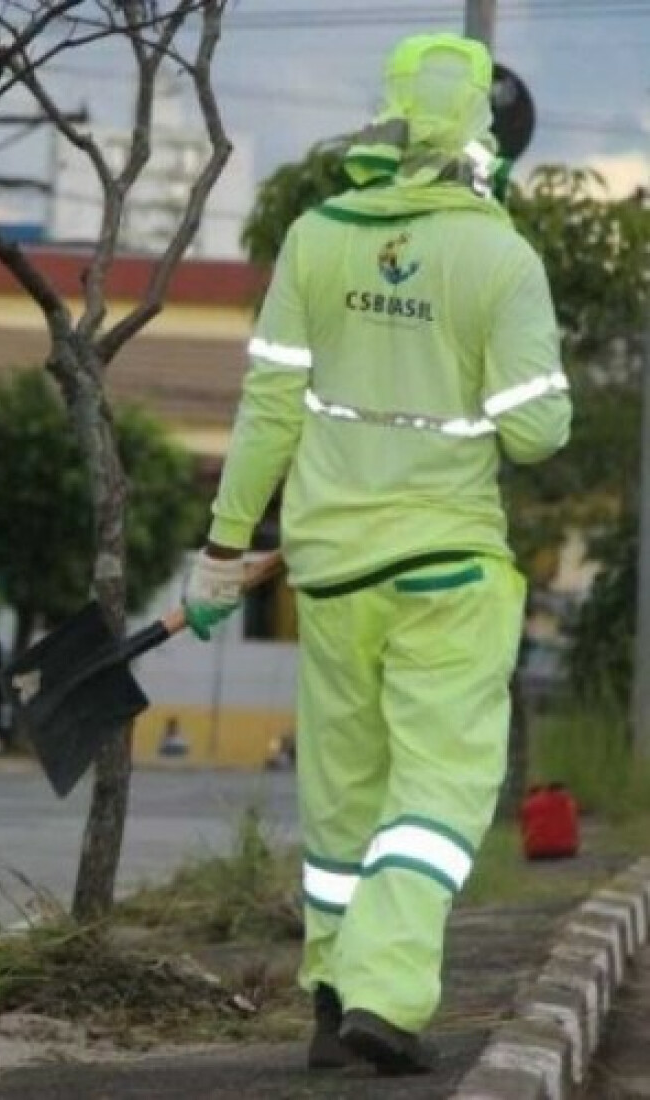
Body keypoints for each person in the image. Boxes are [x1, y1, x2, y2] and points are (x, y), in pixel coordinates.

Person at [183, 34, 571, 1076]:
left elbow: (267, 406)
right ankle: (387, 995)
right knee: (437, 792)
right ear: (479, 129)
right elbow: (536, 433)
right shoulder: (499, 255)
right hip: (447, 568)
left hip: (330, 569)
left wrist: (223, 544)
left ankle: (326, 995)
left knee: (343, 796)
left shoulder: (312, 236)